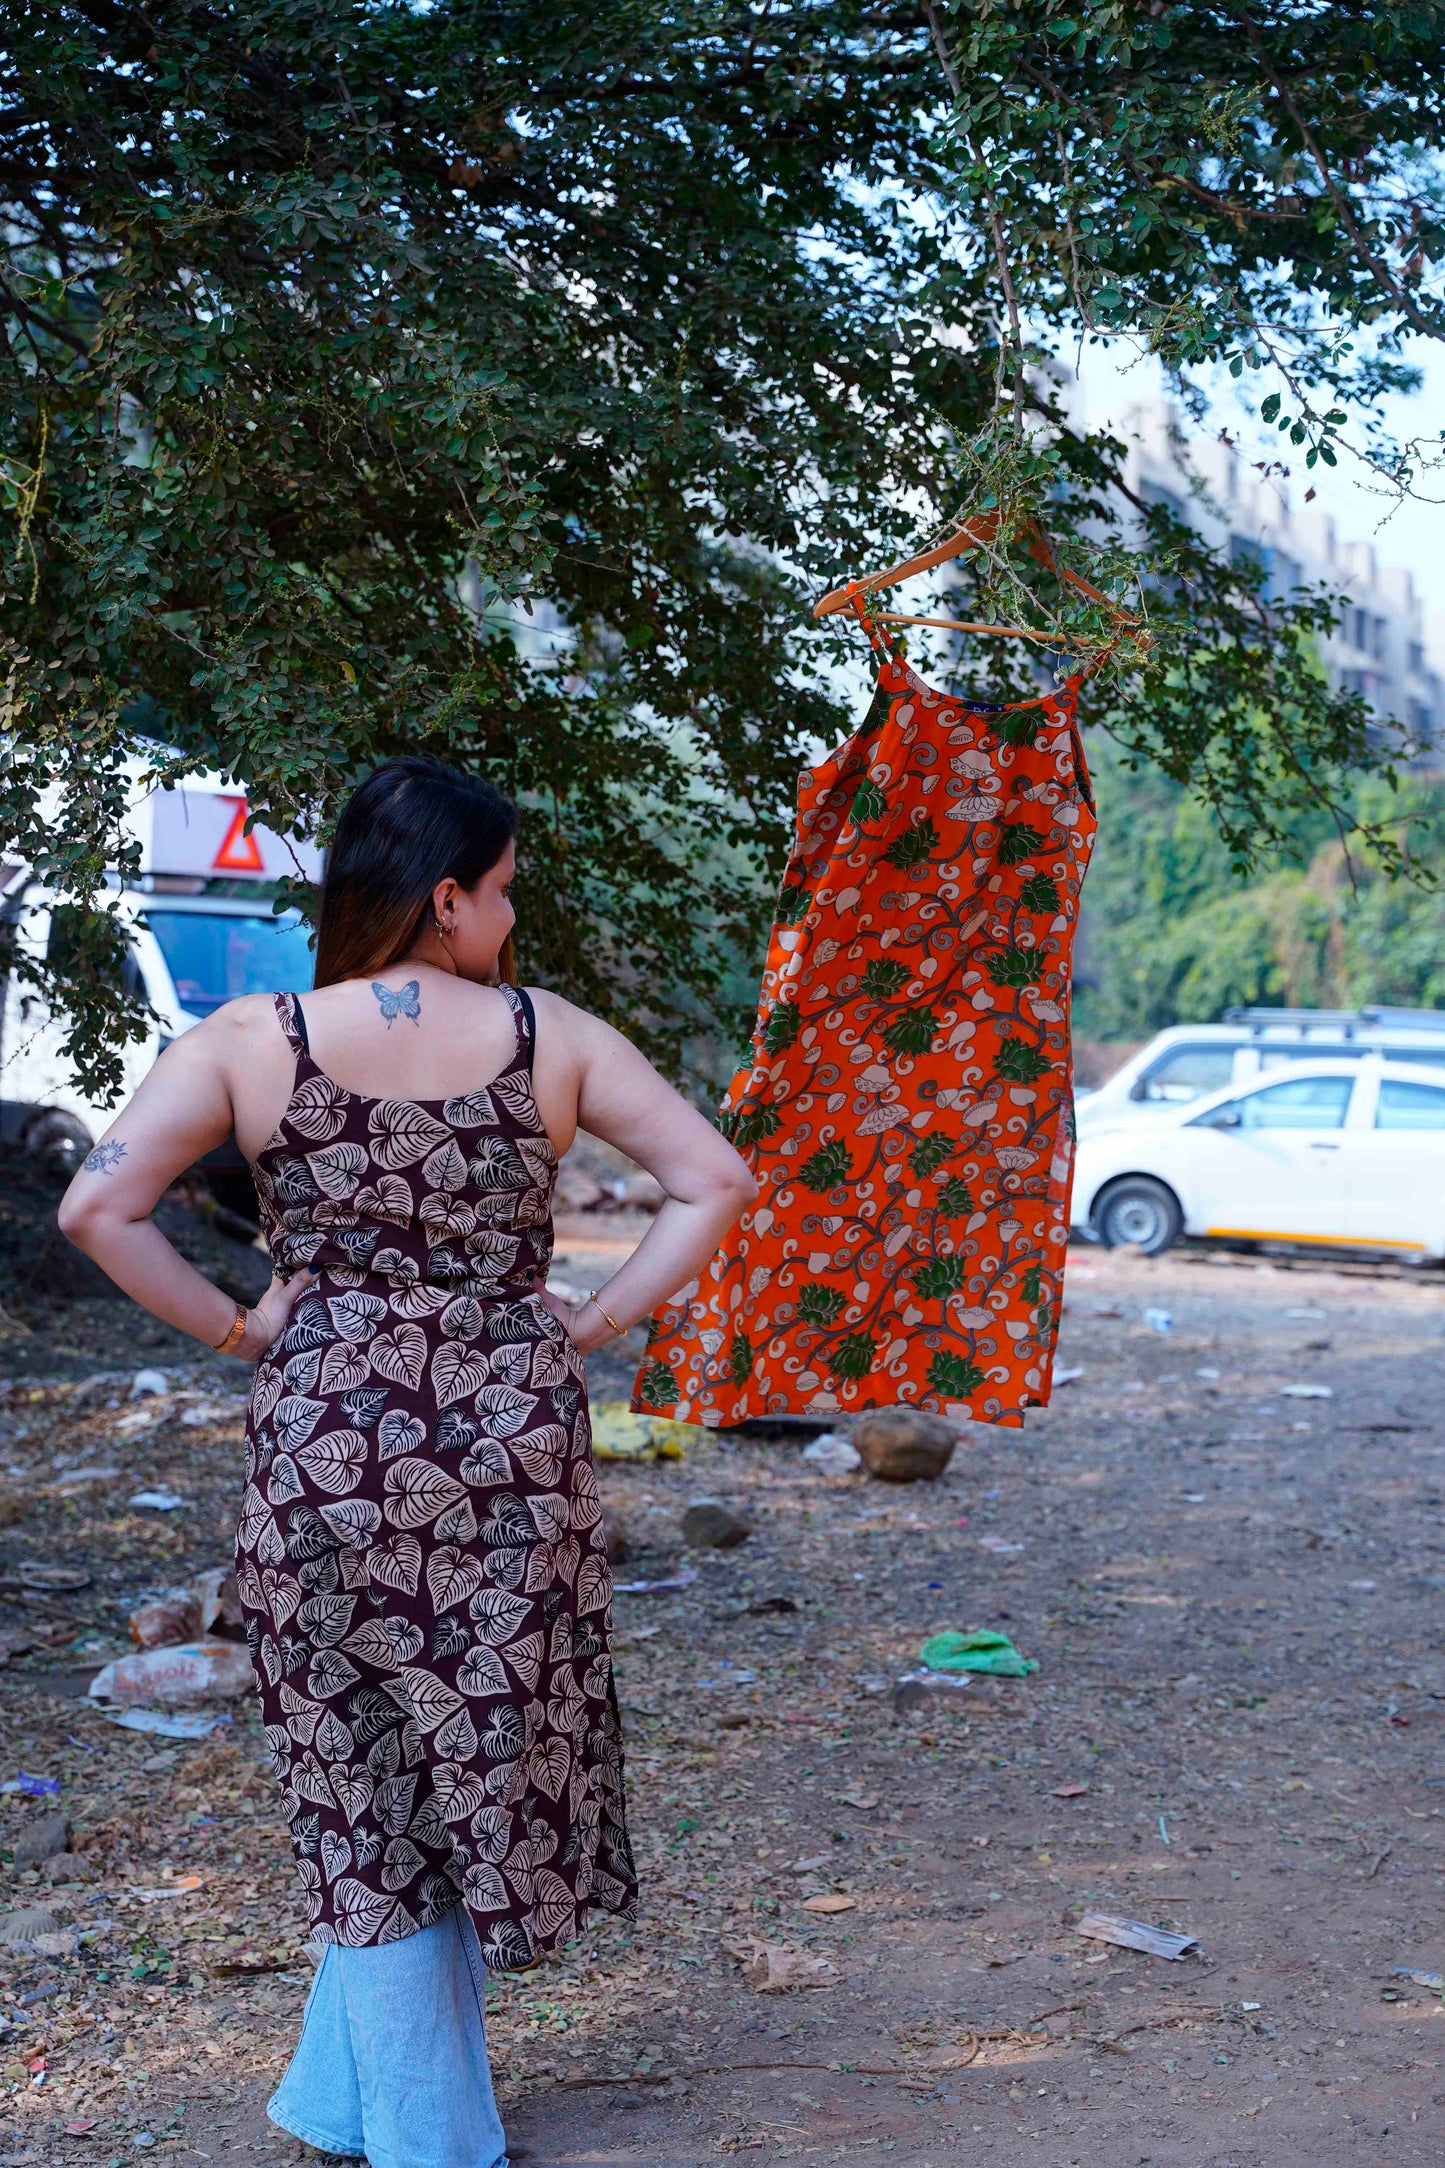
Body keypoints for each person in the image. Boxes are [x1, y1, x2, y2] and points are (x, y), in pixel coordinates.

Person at [59, 757, 756, 2168]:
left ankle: (338, 2100)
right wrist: (600, 1319)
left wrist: (246, 1326)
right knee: (480, 1761)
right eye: (501, 891)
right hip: (511, 1458)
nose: (510, 918)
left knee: (361, 1777)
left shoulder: (254, 1041)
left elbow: (97, 1205)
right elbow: (717, 1178)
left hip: (328, 1455)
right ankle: (435, 2144)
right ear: (447, 896)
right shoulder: (546, 1036)